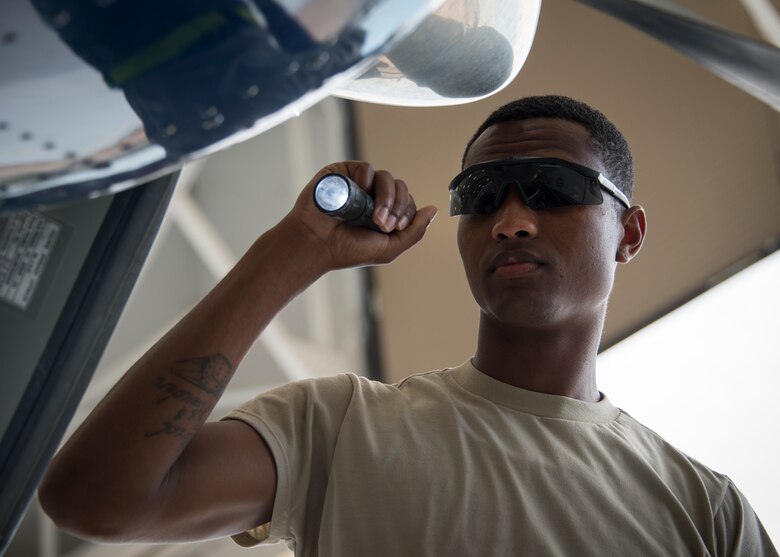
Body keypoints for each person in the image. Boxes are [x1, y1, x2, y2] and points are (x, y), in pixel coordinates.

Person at [39, 95, 777, 556]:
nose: (512, 221)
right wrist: (292, 252)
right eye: (482, 196)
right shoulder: (337, 426)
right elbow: (93, 499)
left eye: (556, 190)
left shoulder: (704, 513)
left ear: (630, 232)